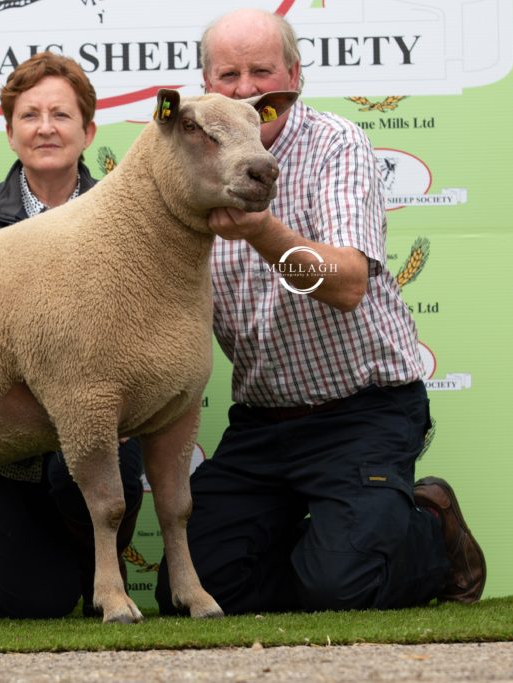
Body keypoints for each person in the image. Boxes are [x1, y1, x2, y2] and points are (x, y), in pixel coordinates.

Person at [155, 9, 486, 615]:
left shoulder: (337, 142)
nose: (246, 88)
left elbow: (348, 285)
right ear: (204, 84)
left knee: (340, 589)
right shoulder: (182, 170)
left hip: (364, 413)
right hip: (261, 420)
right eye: (228, 74)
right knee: (191, 592)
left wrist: (262, 232)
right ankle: (331, 547)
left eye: (262, 70)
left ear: (295, 75)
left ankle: (428, 528)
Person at [0, 51, 145, 619]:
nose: (46, 127)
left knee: (88, 483)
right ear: (10, 132)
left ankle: (98, 577)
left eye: (62, 115)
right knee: (32, 603)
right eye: (30, 115)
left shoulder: (129, 219)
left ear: (88, 131)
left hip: (97, 430)